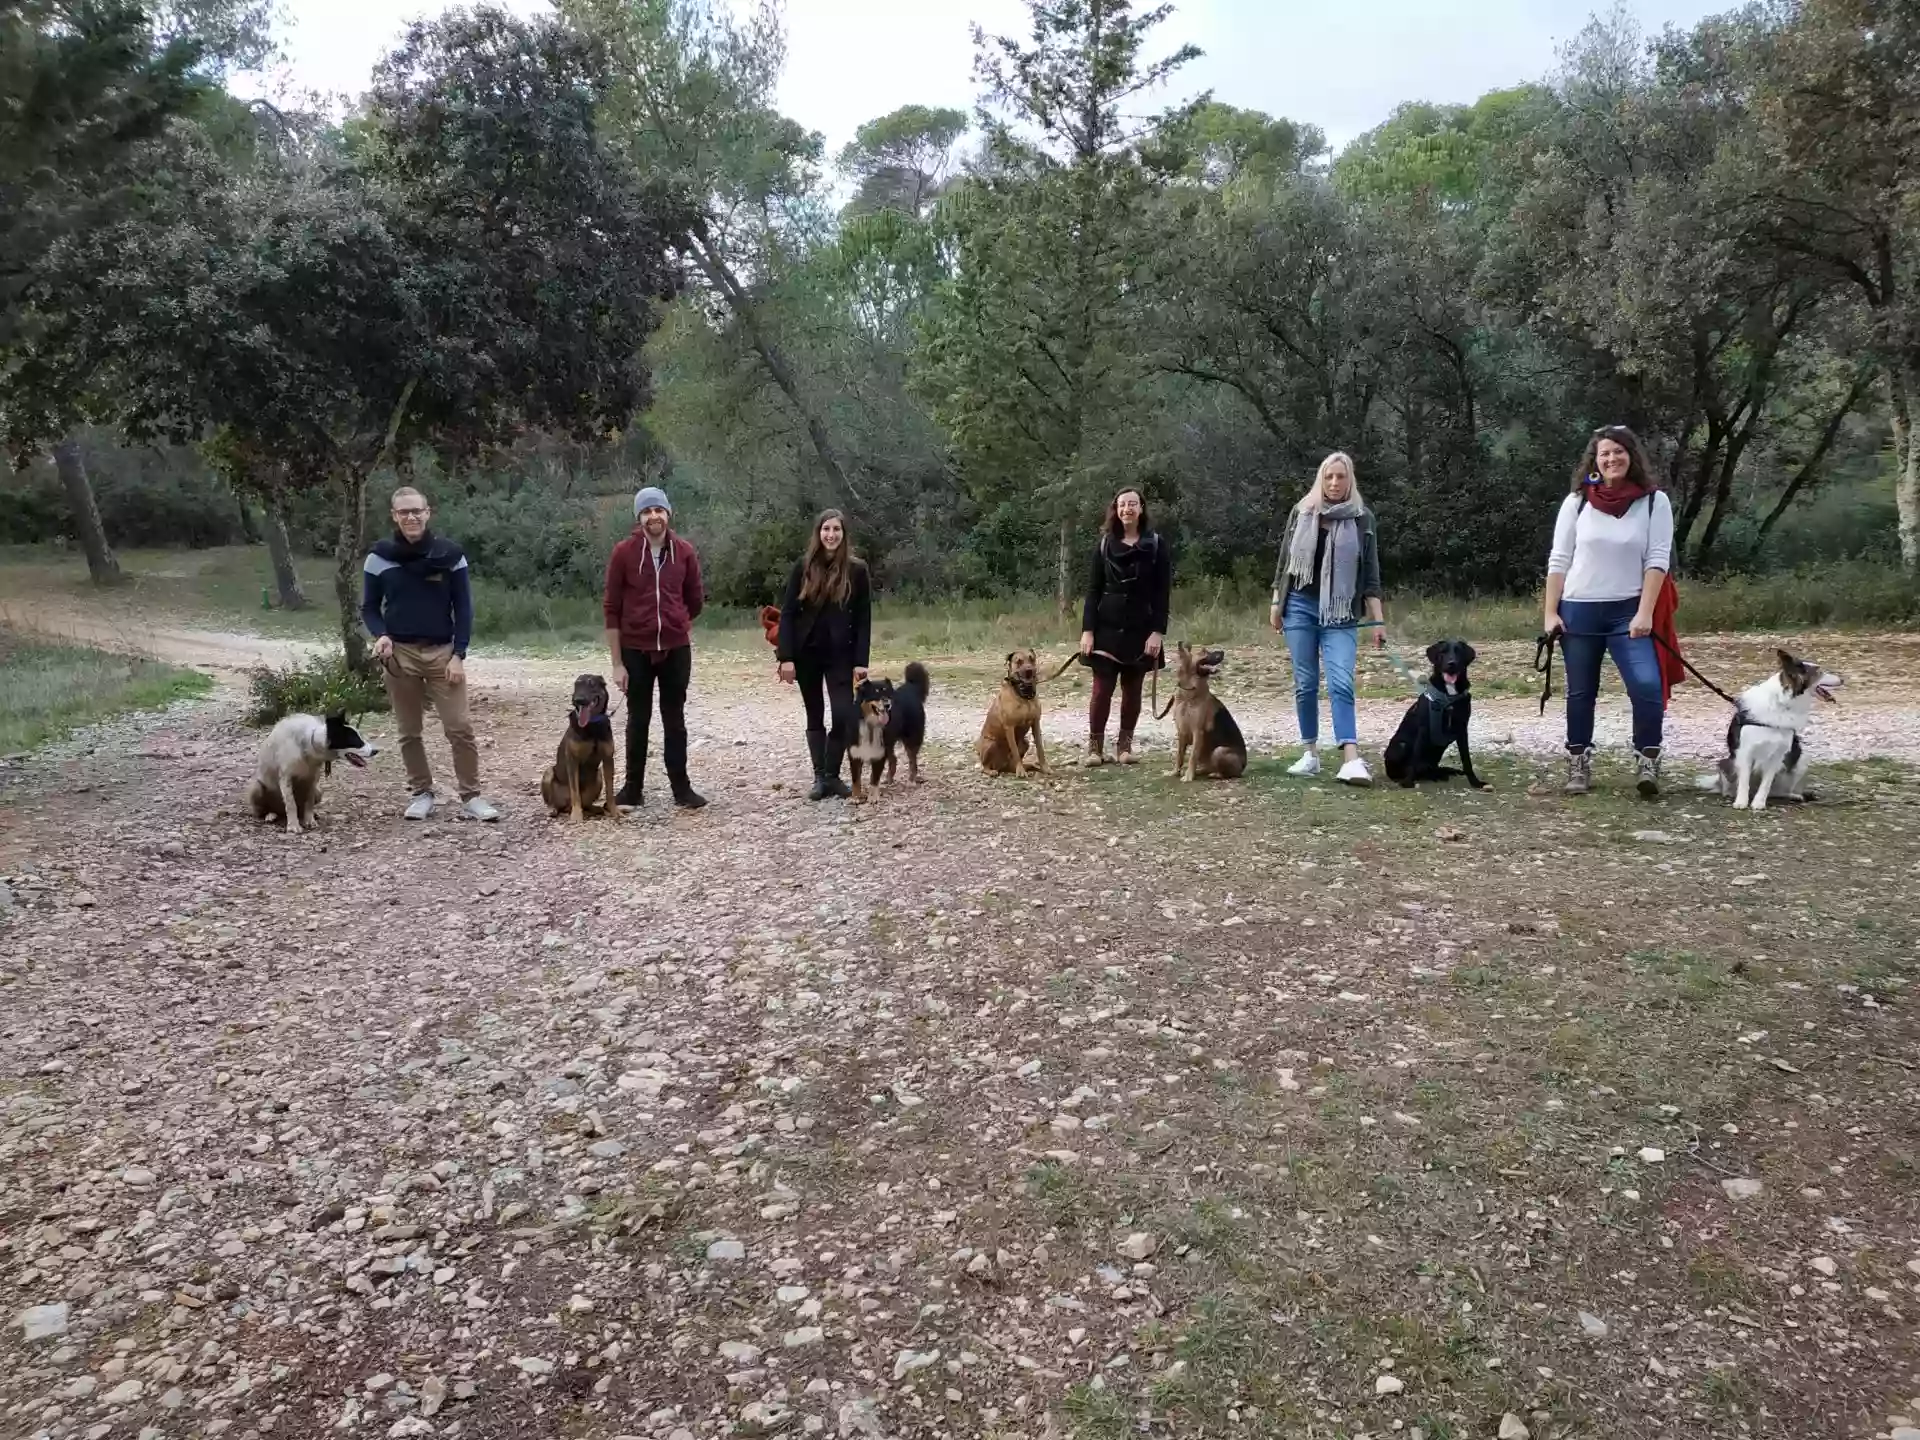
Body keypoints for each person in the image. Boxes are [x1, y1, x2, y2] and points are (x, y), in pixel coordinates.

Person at [1544, 425, 1679, 797]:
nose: (1611, 459)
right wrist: (1550, 613)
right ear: (1595, 460)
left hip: (1629, 612)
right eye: (1604, 453)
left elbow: (1657, 560)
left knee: (1648, 687)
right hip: (1579, 610)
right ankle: (1578, 762)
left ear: (1631, 456)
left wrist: (1645, 612)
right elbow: (1559, 559)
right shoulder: (1578, 501)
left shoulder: (1654, 502)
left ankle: (1647, 760)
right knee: (1581, 692)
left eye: (1618, 452)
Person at [361, 486, 500, 821]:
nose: (410, 517)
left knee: (460, 727)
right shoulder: (379, 558)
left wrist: (459, 654)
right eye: (403, 512)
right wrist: (380, 636)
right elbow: (369, 608)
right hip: (399, 654)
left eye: (416, 511)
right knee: (409, 730)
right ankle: (421, 793)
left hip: (442, 653)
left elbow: (464, 608)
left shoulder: (450, 556)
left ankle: (471, 797)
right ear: (394, 516)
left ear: (428, 512)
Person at [1271, 451, 1387, 786]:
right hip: (1300, 607)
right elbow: (1284, 563)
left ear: (1350, 480)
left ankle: (1350, 759)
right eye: (1329, 477)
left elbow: (1371, 576)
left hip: (1340, 611)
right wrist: (1276, 603)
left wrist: (1378, 620)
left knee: (1341, 681)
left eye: (1341, 477)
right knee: (1305, 683)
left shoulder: (1363, 518)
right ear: (1321, 479)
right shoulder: (1302, 512)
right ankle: (1310, 753)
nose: (1335, 483)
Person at [603, 485, 707, 809]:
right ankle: (632, 789)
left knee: (674, 719)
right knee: (638, 719)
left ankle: (682, 789)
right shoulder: (623, 553)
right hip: (636, 650)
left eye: (658, 510)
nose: (653, 517)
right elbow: (611, 609)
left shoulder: (685, 552)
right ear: (639, 517)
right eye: (646, 512)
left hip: (676, 649)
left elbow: (695, 600)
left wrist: (675, 621)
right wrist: (617, 663)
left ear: (668, 514)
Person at [775, 509, 872, 801]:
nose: (831, 535)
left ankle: (832, 775)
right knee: (814, 713)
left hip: (841, 655)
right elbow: (788, 614)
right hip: (806, 654)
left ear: (844, 535)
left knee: (843, 714)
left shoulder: (856, 570)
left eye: (836, 530)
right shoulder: (802, 567)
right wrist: (786, 657)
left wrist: (861, 661)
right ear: (818, 533)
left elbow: (865, 617)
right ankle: (820, 777)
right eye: (826, 529)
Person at [1077, 488, 1171, 765]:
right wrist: (1088, 630)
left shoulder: (1155, 544)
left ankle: (1124, 748)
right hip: (1106, 628)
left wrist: (1157, 632)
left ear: (1141, 508)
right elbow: (1093, 590)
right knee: (1101, 691)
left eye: (1132, 504)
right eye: (1122, 504)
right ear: (1115, 510)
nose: (1127, 509)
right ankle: (1095, 748)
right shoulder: (1105, 544)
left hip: (1141, 629)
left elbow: (1162, 592)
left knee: (1133, 690)